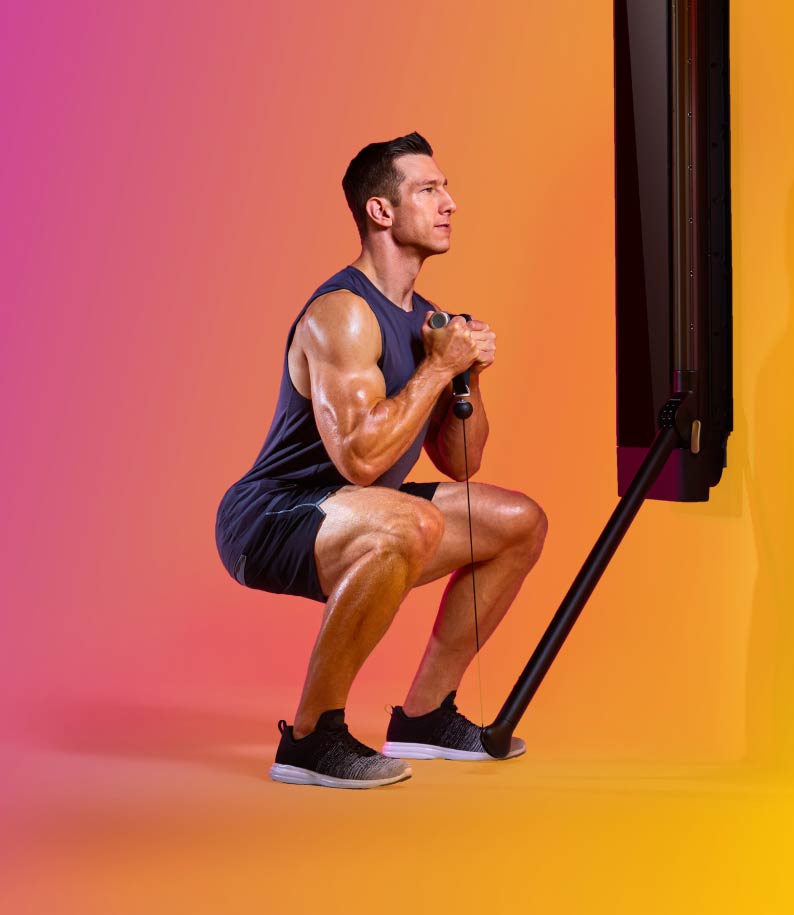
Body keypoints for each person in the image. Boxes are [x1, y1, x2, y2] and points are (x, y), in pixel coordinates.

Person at [215, 132, 548, 789]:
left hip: (362, 513)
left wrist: (465, 377)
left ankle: (425, 716)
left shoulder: (426, 318)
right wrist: (439, 366)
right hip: (273, 517)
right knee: (409, 524)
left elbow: (462, 462)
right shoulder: (342, 314)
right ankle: (310, 738)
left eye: (446, 187)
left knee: (517, 521)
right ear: (381, 211)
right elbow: (363, 457)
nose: (449, 202)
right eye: (429, 189)